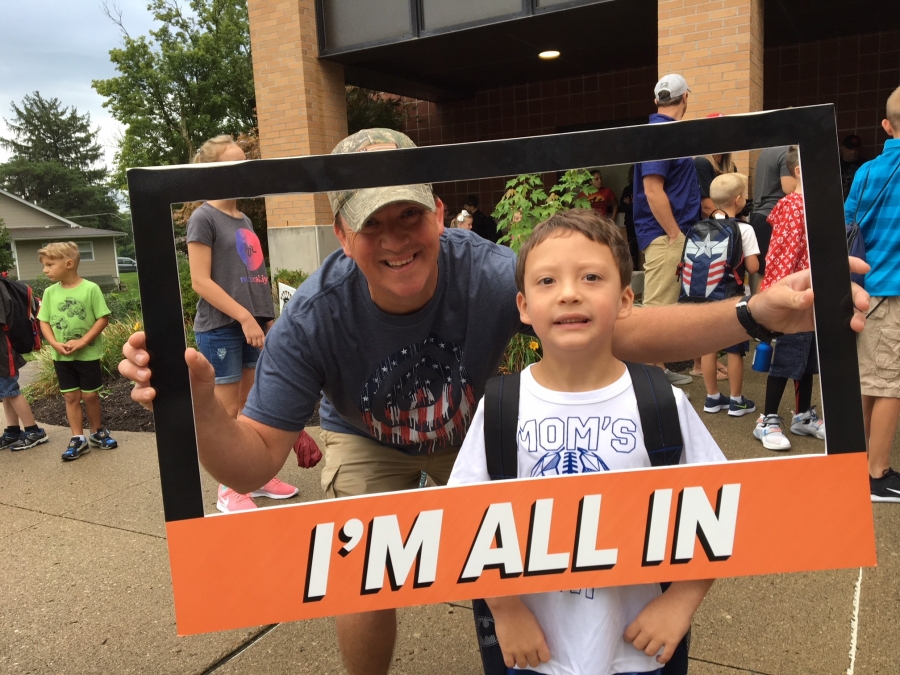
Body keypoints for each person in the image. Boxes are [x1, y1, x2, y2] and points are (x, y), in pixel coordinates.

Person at [119, 128, 870, 675]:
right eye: (372, 223)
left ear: (438, 212)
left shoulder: (493, 272)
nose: (395, 238)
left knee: (520, 537)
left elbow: (622, 324)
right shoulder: (316, 314)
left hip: (480, 422)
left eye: (408, 215)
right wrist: (200, 412)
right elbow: (252, 465)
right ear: (342, 233)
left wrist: (756, 313)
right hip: (367, 433)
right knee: (361, 568)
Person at [449, 209, 722, 674]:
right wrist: (506, 610)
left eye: (592, 277)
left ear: (625, 299)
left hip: (640, 647)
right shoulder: (500, 408)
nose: (570, 293)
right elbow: (462, 523)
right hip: (534, 651)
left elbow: (719, 514)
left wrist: (681, 601)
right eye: (547, 281)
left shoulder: (660, 403)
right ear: (523, 306)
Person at [186, 135, 299, 512]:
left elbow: (253, 275)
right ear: (213, 171)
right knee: (227, 411)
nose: (244, 171)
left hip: (250, 326)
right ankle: (229, 489)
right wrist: (245, 317)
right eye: (235, 164)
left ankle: (254, 474)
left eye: (245, 162)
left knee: (251, 408)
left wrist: (263, 320)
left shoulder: (245, 218)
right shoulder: (203, 217)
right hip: (221, 327)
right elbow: (200, 281)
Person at [844, 86, 900, 502]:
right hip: (894, 292)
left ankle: (863, 462)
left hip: (864, 287)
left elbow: (845, 223)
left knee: (870, 379)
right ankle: (877, 474)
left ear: (886, 125)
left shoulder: (866, 172)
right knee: (890, 385)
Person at [752, 147, 825, 452]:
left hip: (809, 295)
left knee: (807, 360)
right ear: (799, 171)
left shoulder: (812, 204)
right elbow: (782, 254)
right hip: (792, 297)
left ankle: (803, 414)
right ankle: (767, 418)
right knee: (785, 359)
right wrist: (778, 296)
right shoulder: (794, 205)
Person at [633, 74, 701, 386]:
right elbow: (652, 190)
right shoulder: (661, 133)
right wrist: (674, 233)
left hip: (666, 232)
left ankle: (657, 367)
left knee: (662, 304)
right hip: (664, 233)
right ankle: (652, 380)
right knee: (657, 310)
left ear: (657, 99)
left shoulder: (664, 131)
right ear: (685, 97)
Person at [37, 242, 117, 461]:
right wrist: (54, 344)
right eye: (45, 265)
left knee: (90, 396)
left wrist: (83, 341)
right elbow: (43, 321)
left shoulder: (90, 289)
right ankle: (77, 438)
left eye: (50, 264)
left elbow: (103, 318)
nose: (45, 270)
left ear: (69, 264)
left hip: (87, 355)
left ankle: (97, 432)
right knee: (71, 396)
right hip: (62, 357)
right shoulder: (50, 292)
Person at [692, 173, 759, 417]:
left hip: (705, 296)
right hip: (733, 296)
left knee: (709, 347)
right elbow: (752, 267)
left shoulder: (701, 228)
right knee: (734, 349)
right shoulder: (744, 229)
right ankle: (736, 401)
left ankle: (711, 398)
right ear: (739, 199)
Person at [0, 280, 47, 452]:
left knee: (11, 390)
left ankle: (34, 431)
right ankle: (13, 431)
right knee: (5, 391)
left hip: (2, 351)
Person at [749, 145, 796, 286]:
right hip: (772, 218)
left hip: (758, 216)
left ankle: (755, 306)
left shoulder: (766, 151)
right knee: (769, 275)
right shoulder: (787, 152)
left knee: (761, 274)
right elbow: (789, 188)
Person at [619, 165, 641, 271]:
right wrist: (633, 205)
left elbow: (643, 206)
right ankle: (634, 268)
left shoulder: (643, 188)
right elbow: (623, 206)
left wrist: (632, 205)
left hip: (642, 221)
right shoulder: (627, 190)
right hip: (630, 221)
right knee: (632, 245)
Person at [840, 134, 864, 200]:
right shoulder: (837, 165)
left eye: (856, 149)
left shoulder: (864, 165)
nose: (853, 152)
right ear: (843, 148)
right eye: (850, 149)